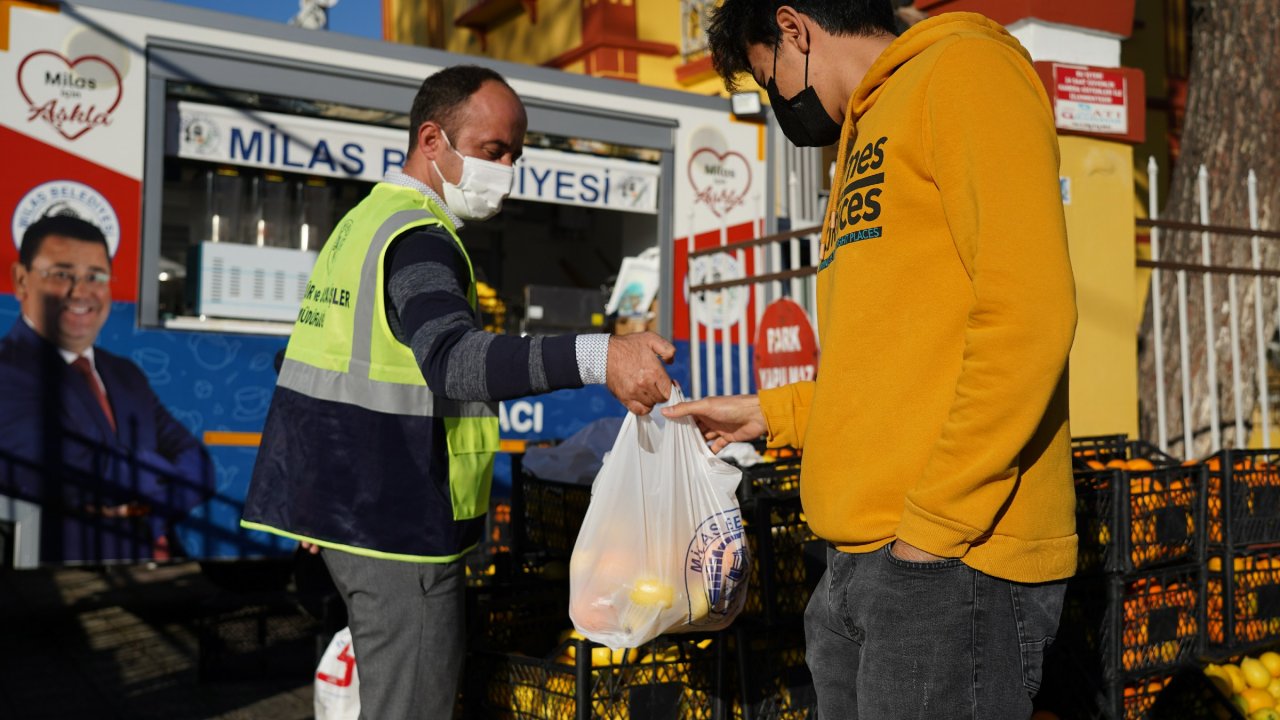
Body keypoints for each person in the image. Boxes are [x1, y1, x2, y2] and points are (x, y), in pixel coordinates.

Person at [665, 3, 1078, 718]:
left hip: (950, 563)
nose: (778, 102)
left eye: (770, 79)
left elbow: (1029, 316)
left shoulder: (966, 70)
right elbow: (892, 359)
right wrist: (770, 413)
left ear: (794, 29)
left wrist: (929, 537)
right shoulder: (866, 126)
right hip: (863, 562)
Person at [241, 65, 674, 718]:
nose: (505, 169)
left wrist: (318, 497)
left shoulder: (364, 224)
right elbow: (455, 361)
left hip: (357, 514)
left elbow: (310, 361)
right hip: (398, 524)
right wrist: (599, 355)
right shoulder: (418, 238)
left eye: (515, 155)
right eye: (492, 150)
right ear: (432, 140)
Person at [0, 215, 214, 564]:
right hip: (57, 576)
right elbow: (65, 465)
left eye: (95, 277)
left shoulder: (124, 374)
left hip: (138, 568)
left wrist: (151, 511)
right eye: (61, 274)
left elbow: (199, 462)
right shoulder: (7, 370)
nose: (80, 291)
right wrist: (162, 477)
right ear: (21, 281)